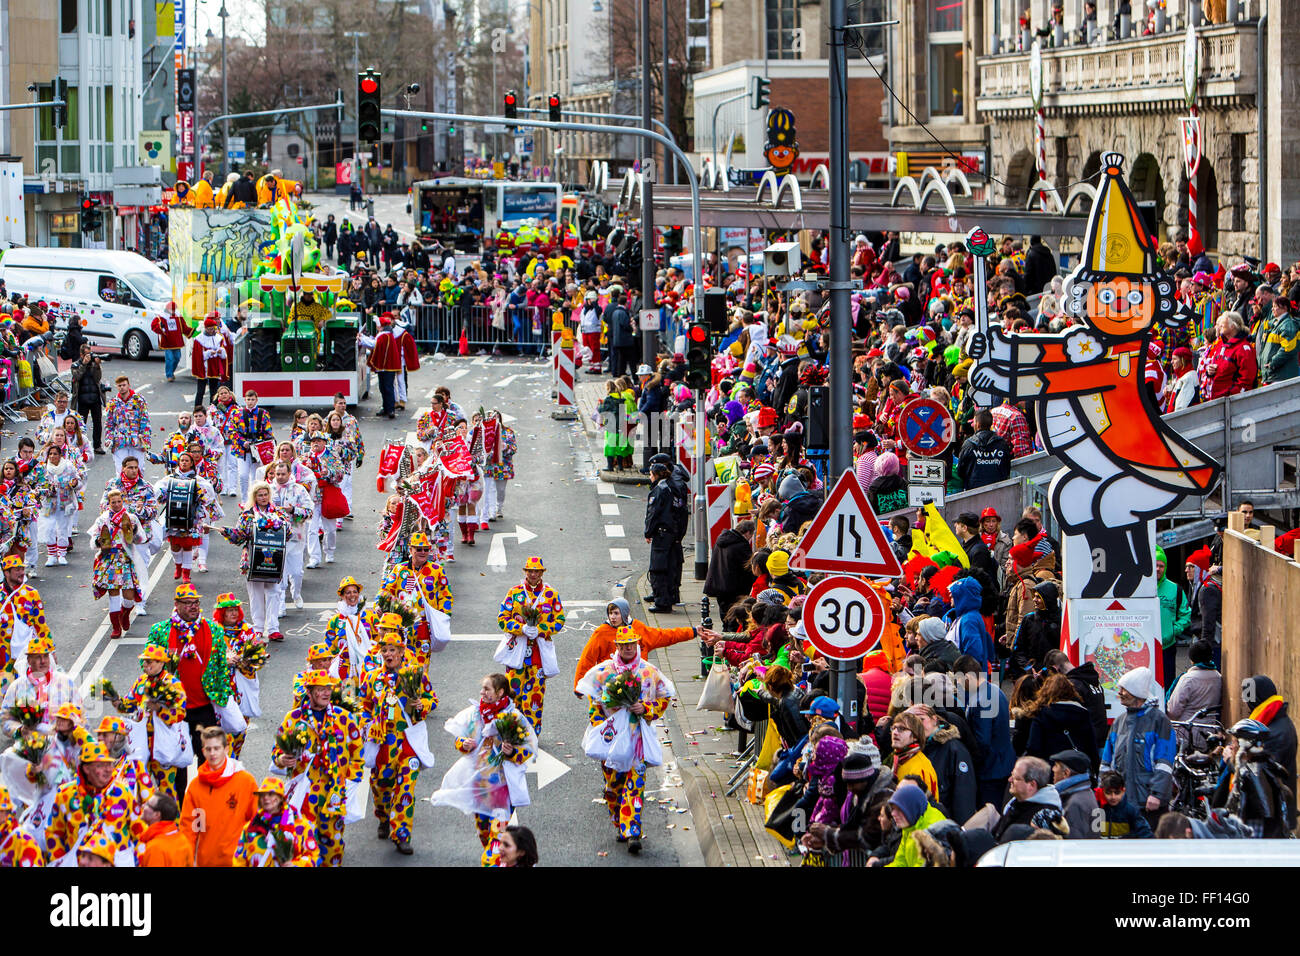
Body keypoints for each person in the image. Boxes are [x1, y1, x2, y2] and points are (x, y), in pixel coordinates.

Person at [576, 625, 676, 854]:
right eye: (624, 645)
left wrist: (646, 708)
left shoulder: (649, 672)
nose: (629, 648)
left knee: (635, 785)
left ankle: (632, 832)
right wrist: (601, 721)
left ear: (638, 645)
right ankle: (621, 823)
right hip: (611, 740)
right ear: (618, 647)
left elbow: (663, 698)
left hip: (637, 739)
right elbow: (594, 704)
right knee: (613, 788)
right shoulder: (603, 672)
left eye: (633, 644)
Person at [430, 672, 537, 858]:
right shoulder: (475, 714)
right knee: (484, 833)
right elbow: (461, 738)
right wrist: (463, 744)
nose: (482, 692)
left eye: (487, 689)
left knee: (497, 840)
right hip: (480, 785)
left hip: (502, 789)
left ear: (500, 692)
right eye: (482, 689)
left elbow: (528, 750)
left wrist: (511, 752)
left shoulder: (513, 718)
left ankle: (493, 861)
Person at [268, 668, 364, 866]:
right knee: (304, 843)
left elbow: (357, 752)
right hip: (306, 793)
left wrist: (351, 781)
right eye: (321, 689)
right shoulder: (294, 718)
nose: (327, 693)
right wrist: (282, 759)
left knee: (334, 844)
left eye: (328, 688)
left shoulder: (344, 717)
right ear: (310, 692)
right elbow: (276, 751)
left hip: (334, 793)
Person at [359, 618, 438, 856]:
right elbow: (363, 706)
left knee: (405, 789)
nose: (387, 654)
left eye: (392, 650)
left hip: (408, 742)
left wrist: (420, 704)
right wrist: (366, 724)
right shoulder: (372, 677)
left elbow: (432, 700)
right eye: (384, 650)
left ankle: (402, 834)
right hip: (383, 741)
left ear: (402, 652)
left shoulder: (414, 674)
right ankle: (383, 816)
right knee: (381, 785)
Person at [147, 583, 231, 796]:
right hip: (176, 710)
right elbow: (147, 663)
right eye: (188, 603)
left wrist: (224, 695)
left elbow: (221, 663)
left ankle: (209, 801)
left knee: (210, 758)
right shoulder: (160, 631)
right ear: (176, 605)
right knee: (179, 762)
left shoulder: (214, 629)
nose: (193, 607)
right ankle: (182, 806)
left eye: (196, 603)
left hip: (204, 705)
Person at [572, 598, 706, 694]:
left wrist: (692, 631)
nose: (612, 617)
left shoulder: (639, 629)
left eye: (616, 613)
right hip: (610, 687)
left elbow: (665, 636)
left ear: (624, 614)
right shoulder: (601, 633)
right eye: (610, 613)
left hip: (638, 686)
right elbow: (587, 658)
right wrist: (579, 685)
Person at [495, 556, 565, 738]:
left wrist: (540, 630)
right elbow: (502, 619)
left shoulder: (551, 594)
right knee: (512, 693)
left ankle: (531, 736)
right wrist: (521, 628)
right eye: (530, 571)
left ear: (542, 572)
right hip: (516, 654)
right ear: (525, 571)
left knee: (535, 697)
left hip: (538, 656)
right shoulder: (514, 592)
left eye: (537, 571)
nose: (533, 574)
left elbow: (559, 621)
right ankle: (511, 732)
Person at [45, 741, 145, 866]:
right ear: (86, 768)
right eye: (101, 766)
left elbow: (140, 832)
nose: (109, 770)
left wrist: (138, 861)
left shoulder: (122, 793)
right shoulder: (65, 794)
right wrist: (60, 861)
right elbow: (54, 833)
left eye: (109, 764)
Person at [1100, 666, 1176, 829]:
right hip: (1122, 802)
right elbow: (1107, 761)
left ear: (1136, 694)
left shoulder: (1159, 721)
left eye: (1124, 689)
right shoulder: (1119, 722)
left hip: (1149, 804)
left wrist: (1157, 794)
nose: (1119, 693)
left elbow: (1165, 762)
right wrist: (1106, 790)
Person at [215, 481, 290, 642]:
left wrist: (277, 526)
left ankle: (273, 628)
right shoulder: (247, 514)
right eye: (260, 495)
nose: (263, 498)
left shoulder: (279, 514)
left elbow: (288, 532)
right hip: (254, 558)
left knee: (274, 593)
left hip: (274, 558)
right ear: (254, 497)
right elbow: (239, 535)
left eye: (265, 494)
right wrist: (226, 532)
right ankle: (257, 628)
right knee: (255, 595)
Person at [180, 725, 258, 866]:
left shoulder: (245, 782)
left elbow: (257, 822)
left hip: (238, 861)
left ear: (226, 749)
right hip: (207, 862)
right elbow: (188, 830)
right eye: (208, 749)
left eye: (217, 748)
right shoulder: (195, 787)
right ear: (203, 751)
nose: (213, 753)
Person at [380, 530, 454, 670]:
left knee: (421, 669)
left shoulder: (437, 571)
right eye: (418, 549)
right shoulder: (399, 569)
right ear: (410, 549)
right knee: (398, 667)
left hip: (423, 628)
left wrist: (442, 617)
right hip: (400, 629)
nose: (422, 552)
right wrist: (385, 606)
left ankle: (418, 690)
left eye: (426, 549)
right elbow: (384, 591)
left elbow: (446, 596)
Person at [1240, 673, 1297, 829]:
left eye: (1248, 697)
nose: (1245, 703)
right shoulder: (1275, 721)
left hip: (1273, 815)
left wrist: (1234, 761)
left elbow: (1263, 774)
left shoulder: (1273, 731)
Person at [87, 488, 146, 639]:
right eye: (113, 502)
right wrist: (98, 541)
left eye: (119, 501)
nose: (116, 504)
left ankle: (125, 613)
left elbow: (141, 539)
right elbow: (93, 542)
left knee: (129, 597)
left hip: (126, 559)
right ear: (109, 503)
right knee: (113, 594)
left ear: (123, 501)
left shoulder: (131, 518)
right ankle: (115, 627)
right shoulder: (102, 519)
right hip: (109, 560)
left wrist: (133, 531)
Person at [908, 704, 977, 824]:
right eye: (913, 721)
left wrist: (958, 830)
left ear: (934, 720)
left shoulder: (954, 749)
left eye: (922, 720)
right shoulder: (913, 748)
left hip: (945, 823)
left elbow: (964, 795)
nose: (917, 725)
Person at [232, 776, 319, 867]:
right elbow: (239, 859)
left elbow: (313, 856)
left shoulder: (301, 826)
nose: (265, 798)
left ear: (281, 798)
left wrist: (294, 865)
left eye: (270, 794)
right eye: (262, 795)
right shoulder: (251, 828)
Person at [1022, 674, 1100, 773]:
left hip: (1050, 769)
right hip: (1076, 768)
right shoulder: (1083, 713)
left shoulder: (1042, 714)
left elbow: (1034, 747)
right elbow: (1091, 746)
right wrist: (1095, 770)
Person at [0, 553, 50, 688]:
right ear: (6, 573)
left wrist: (50, 650)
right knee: (5, 692)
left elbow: (41, 625)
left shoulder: (31, 594)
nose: (22, 572)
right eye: (17, 570)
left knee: (27, 693)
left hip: (27, 653)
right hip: (3, 654)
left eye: (22, 569)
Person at [876, 782, 947, 868]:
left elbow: (924, 864)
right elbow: (901, 861)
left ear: (912, 808)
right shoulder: (910, 823)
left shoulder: (932, 829)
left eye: (899, 809)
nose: (893, 813)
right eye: (893, 809)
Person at [992, 756, 1062, 843]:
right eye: (1011, 775)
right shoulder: (1017, 803)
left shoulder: (1045, 816)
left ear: (1031, 785)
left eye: (1016, 778)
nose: (1010, 780)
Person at [644, 461, 684, 612]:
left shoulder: (659, 490)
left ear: (655, 475)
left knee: (658, 569)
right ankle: (671, 596)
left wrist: (648, 532)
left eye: (650, 474)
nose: (649, 477)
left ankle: (662, 602)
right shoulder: (673, 486)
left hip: (662, 535)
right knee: (671, 567)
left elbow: (653, 514)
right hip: (673, 534)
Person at [226, 389, 274, 502]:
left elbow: (268, 432)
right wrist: (243, 442)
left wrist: (261, 444)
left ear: (256, 400)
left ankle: (254, 501)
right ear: (245, 400)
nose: (250, 402)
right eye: (248, 399)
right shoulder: (237, 413)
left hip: (258, 449)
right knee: (243, 475)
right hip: (242, 450)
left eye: (252, 399)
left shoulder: (263, 413)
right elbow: (232, 431)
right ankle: (244, 501)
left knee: (256, 477)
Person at [1155, 546, 1191, 685]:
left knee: (1167, 682)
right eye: (1156, 565)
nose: (1158, 569)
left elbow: (1186, 616)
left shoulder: (1175, 589)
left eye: (1161, 566)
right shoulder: (1140, 588)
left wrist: (1173, 630)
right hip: (1144, 646)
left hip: (1167, 647)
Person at [104, 375, 151, 475]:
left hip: (137, 441)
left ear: (128, 385)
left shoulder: (139, 401)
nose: (122, 387)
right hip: (120, 442)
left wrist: (145, 440)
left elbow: (145, 421)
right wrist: (109, 438)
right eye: (119, 385)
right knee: (121, 470)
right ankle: (122, 490)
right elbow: (109, 423)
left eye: (124, 385)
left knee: (139, 469)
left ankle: (138, 490)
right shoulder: (113, 403)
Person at [955, 409, 1012, 490]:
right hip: (998, 492)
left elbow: (960, 471)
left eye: (973, 422)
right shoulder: (1001, 443)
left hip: (974, 492)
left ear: (977, 424)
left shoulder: (969, 444)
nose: (972, 425)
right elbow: (1007, 468)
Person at [1050, 749, 1099, 840]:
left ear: (1066, 773)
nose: (1053, 769)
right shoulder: (1086, 792)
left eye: (1056, 765)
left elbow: (1073, 842)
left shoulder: (1075, 803)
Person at [136, 793, 193, 866]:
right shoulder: (183, 840)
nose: (143, 806)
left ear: (156, 815)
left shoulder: (155, 848)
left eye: (147, 804)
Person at [68, 347, 106, 453]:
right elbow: (77, 376)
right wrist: (84, 364)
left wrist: (97, 366)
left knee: (97, 422)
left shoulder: (93, 364)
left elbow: (98, 378)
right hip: (82, 399)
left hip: (95, 398)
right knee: (81, 424)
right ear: (81, 355)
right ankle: (81, 445)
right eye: (87, 354)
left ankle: (97, 445)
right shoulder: (75, 365)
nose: (90, 356)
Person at [188, 314, 230, 409]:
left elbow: (224, 354)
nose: (211, 331)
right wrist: (208, 353)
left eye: (213, 329)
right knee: (201, 391)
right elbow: (198, 356)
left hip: (214, 367)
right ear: (205, 328)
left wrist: (220, 351)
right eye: (209, 329)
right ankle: (197, 409)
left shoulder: (218, 338)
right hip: (203, 368)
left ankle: (213, 409)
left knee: (214, 391)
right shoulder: (199, 339)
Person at [1096, 770, 1153, 838]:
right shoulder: (1096, 810)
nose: (1113, 797)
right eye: (1108, 793)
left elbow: (1146, 833)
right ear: (1102, 791)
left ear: (1123, 791)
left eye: (1117, 793)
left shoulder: (1131, 810)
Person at [151, 302, 187, 383]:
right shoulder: (161, 316)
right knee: (170, 358)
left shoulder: (178, 316)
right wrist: (161, 329)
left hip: (176, 341)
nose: (174, 311)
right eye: (172, 309)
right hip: (167, 341)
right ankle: (169, 374)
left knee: (177, 357)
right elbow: (154, 325)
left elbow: (184, 326)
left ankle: (172, 371)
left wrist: (192, 331)